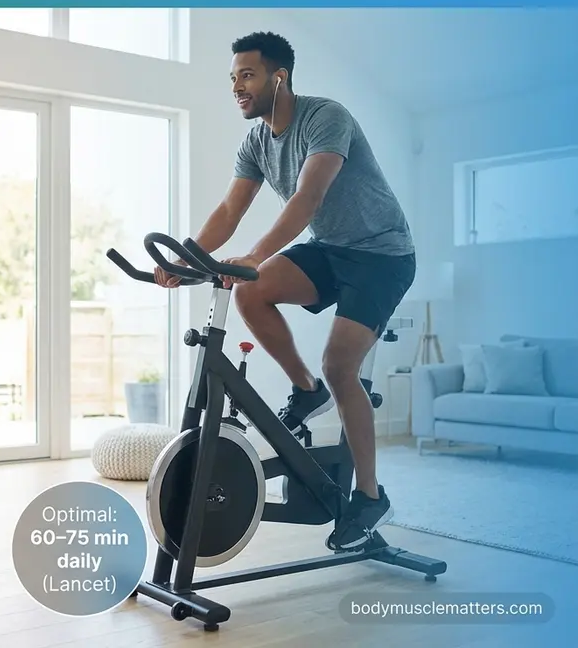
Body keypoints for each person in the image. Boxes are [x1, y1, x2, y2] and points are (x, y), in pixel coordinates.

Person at [154, 31, 415, 551]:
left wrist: (253, 256)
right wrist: (185, 261)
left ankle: (369, 496)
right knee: (252, 292)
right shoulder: (255, 141)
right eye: (233, 79)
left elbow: (306, 198)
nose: (237, 87)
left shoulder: (326, 118)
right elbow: (229, 212)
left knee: (341, 364)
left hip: (382, 255)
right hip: (330, 248)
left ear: (279, 77)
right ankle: (306, 389)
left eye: (246, 76)